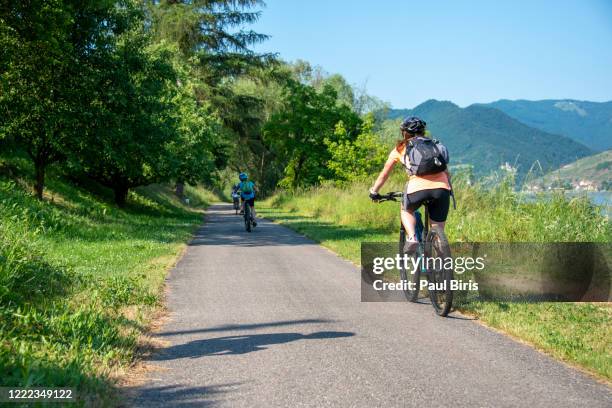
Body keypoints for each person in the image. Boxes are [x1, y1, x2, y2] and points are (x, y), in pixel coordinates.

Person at [369, 116, 451, 251]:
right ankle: (443, 265)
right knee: (437, 229)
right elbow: (446, 173)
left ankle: (412, 238)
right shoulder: (434, 145)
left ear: (404, 132)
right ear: (423, 132)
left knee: (406, 210)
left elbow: (384, 174)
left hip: (417, 190)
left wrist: (374, 192)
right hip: (441, 189)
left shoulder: (400, 148)